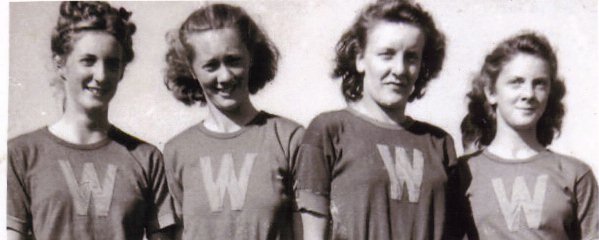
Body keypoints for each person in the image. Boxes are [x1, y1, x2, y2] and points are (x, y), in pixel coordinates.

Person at [7, 2, 176, 240]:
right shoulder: (21, 154)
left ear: (122, 71)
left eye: (112, 63)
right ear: (61, 64)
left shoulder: (146, 158)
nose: (101, 75)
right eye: (88, 60)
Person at [294, 0, 456, 239]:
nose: (399, 69)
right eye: (386, 54)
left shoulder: (439, 142)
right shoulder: (329, 131)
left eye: (411, 57)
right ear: (360, 58)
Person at [162, 3, 304, 240]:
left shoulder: (289, 139)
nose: (225, 76)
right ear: (192, 69)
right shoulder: (176, 152)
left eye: (233, 60)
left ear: (251, 58)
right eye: (211, 65)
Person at [446, 32, 599, 239]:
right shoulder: (462, 173)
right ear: (491, 92)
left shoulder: (575, 174)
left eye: (539, 83)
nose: (528, 94)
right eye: (516, 82)